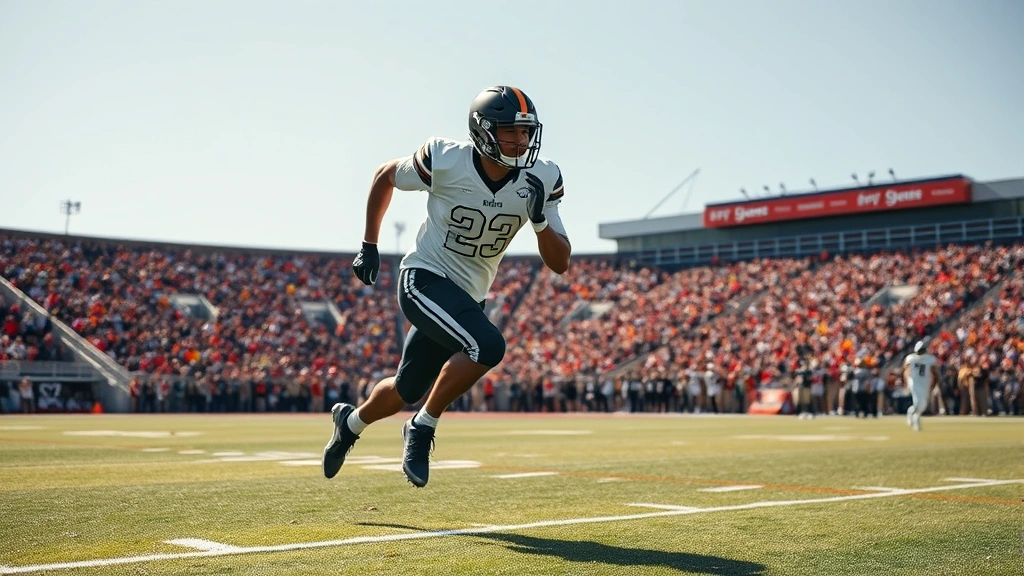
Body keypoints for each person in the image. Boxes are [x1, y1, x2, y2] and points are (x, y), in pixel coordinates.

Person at [322, 86, 572, 487]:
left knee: (406, 387)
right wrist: (370, 244)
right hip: (423, 277)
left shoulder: (541, 177)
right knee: (487, 346)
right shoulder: (445, 158)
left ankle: (349, 423)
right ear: (484, 131)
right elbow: (384, 176)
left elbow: (560, 263)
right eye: (511, 131)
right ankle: (422, 426)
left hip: (468, 295)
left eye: (526, 132)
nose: (521, 141)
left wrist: (541, 218)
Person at [903, 341, 939, 431]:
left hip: (925, 382)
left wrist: (934, 383)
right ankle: (916, 420)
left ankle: (911, 412)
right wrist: (906, 381)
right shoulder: (911, 358)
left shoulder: (929, 359)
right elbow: (905, 370)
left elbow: (934, 372)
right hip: (914, 382)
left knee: (923, 404)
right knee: (917, 402)